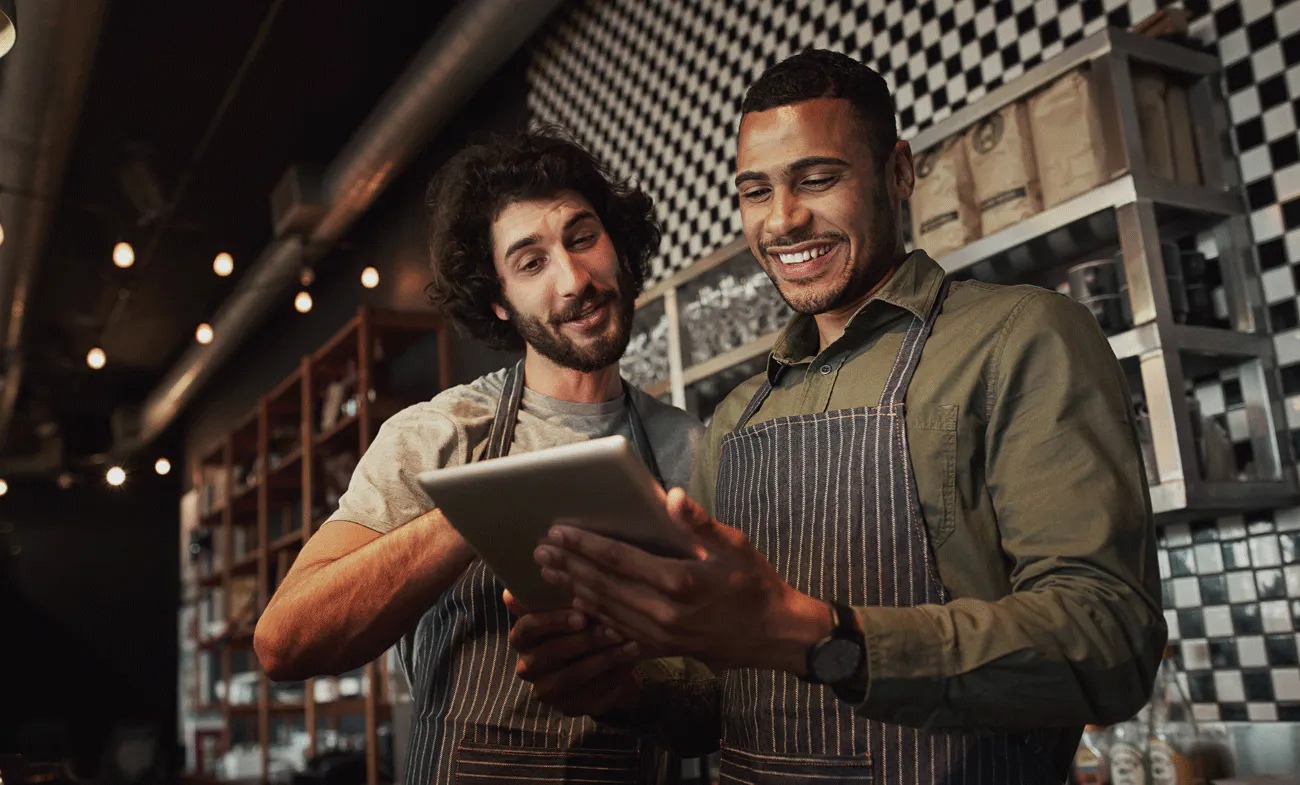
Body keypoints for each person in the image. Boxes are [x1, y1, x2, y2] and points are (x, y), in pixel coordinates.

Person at [517, 50, 1167, 783]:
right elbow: (724, 695)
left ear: (898, 170)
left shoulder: (1021, 337)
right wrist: (628, 690)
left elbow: (1111, 639)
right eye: (756, 191)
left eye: (817, 179)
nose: (784, 219)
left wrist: (822, 637)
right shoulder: (734, 418)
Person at [253, 127, 707, 785]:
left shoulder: (687, 448)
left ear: (619, 246)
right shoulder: (440, 434)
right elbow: (285, 640)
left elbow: (724, 705)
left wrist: (630, 692)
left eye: (582, 237)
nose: (574, 279)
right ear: (497, 300)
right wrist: (480, 507)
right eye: (530, 262)